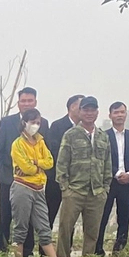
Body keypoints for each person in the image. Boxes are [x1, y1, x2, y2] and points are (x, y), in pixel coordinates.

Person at [53, 96, 111, 257]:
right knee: (66, 228)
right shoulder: (70, 135)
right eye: (86, 110)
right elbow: (62, 163)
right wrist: (66, 189)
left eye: (93, 110)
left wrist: (105, 188)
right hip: (74, 191)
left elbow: (107, 163)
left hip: (96, 192)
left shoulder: (102, 136)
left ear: (97, 112)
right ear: (80, 112)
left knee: (92, 231)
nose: (89, 113)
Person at [0, 86, 39, 253]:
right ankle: (2, 251)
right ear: (18, 103)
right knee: (5, 216)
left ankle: (27, 252)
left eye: (30, 101)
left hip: (31, 181)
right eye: (23, 101)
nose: (26, 104)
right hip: (8, 179)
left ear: (35, 102)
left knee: (29, 217)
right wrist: (1, 176)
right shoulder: (7, 122)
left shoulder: (41, 123)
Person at [8, 108, 57, 257]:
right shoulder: (17, 144)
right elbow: (26, 168)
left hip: (39, 188)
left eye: (38, 122)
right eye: (32, 122)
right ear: (24, 123)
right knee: (21, 229)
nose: (35, 125)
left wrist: (35, 162)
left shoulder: (40, 141)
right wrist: (36, 167)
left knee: (44, 228)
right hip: (22, 187)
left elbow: (50, 162)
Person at [95, 101, 129, 254]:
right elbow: (101, 159)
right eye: (116, 112)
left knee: (124, 219)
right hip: (109, 183)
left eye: (122, 112)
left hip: (127, 184)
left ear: (126, 114)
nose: (119, 115)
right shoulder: (103, 135)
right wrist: (117, 173)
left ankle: (119, 251)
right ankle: (97, 250)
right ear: (110, 115)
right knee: (102, 218)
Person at [44, 94, 78, 226]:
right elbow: (54, 150)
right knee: (50, 213)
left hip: (77, 180)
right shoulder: (57, 126)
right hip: (57, 178)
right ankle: (44, 245)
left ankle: (66, 246)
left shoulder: (86, 128)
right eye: (82, 106)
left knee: (71, 216)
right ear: (72, 107)